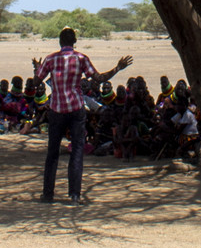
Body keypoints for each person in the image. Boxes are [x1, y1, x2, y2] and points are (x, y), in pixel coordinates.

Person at [34, 29, 132, 203]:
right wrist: (118, 67)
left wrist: (37, 69)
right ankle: (74, 195)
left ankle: (48, 194)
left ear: (59, 42)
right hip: (76, 108)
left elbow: (36, 82)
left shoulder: (50, 59)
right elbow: (99, 78)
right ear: (75, 42)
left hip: (56, 109)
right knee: (77, 151)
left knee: (53, 153)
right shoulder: (81, 58)